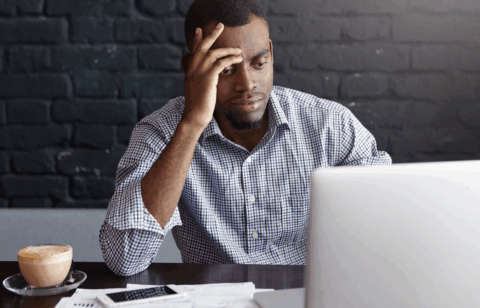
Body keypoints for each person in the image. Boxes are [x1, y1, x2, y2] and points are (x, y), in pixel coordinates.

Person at [99, 0, 392, 276]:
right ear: (191, 68)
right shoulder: (160, 133)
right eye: (225, 69)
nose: (247, 84)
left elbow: (391, 226)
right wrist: (192, 124)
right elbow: (126, 259)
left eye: (259, 64)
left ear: (271, 55)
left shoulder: (331, 126)